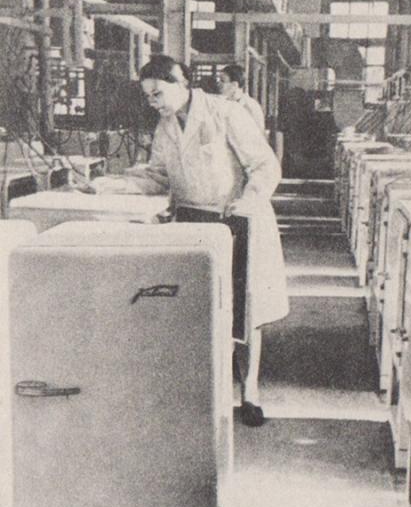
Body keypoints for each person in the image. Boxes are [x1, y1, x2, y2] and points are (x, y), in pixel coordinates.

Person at [91, 55, 289, 427]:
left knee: (244, 313)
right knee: (203, 309)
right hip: (193, 222)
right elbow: (157, 177)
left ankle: (250, 393)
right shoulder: (166, 127)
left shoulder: (225, 113)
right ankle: (211, 391)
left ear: (182, 83)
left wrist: (248, 201)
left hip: (236, 219)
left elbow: (265, 165)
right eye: (148, 96)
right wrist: (109, 185)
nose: (153, 102)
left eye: (158, 93)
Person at [218, 64, 266, 133]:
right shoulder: (223, 103)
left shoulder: (251, 106)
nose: (219, 84)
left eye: (222, 81)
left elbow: (258, 134)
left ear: (234, 85)